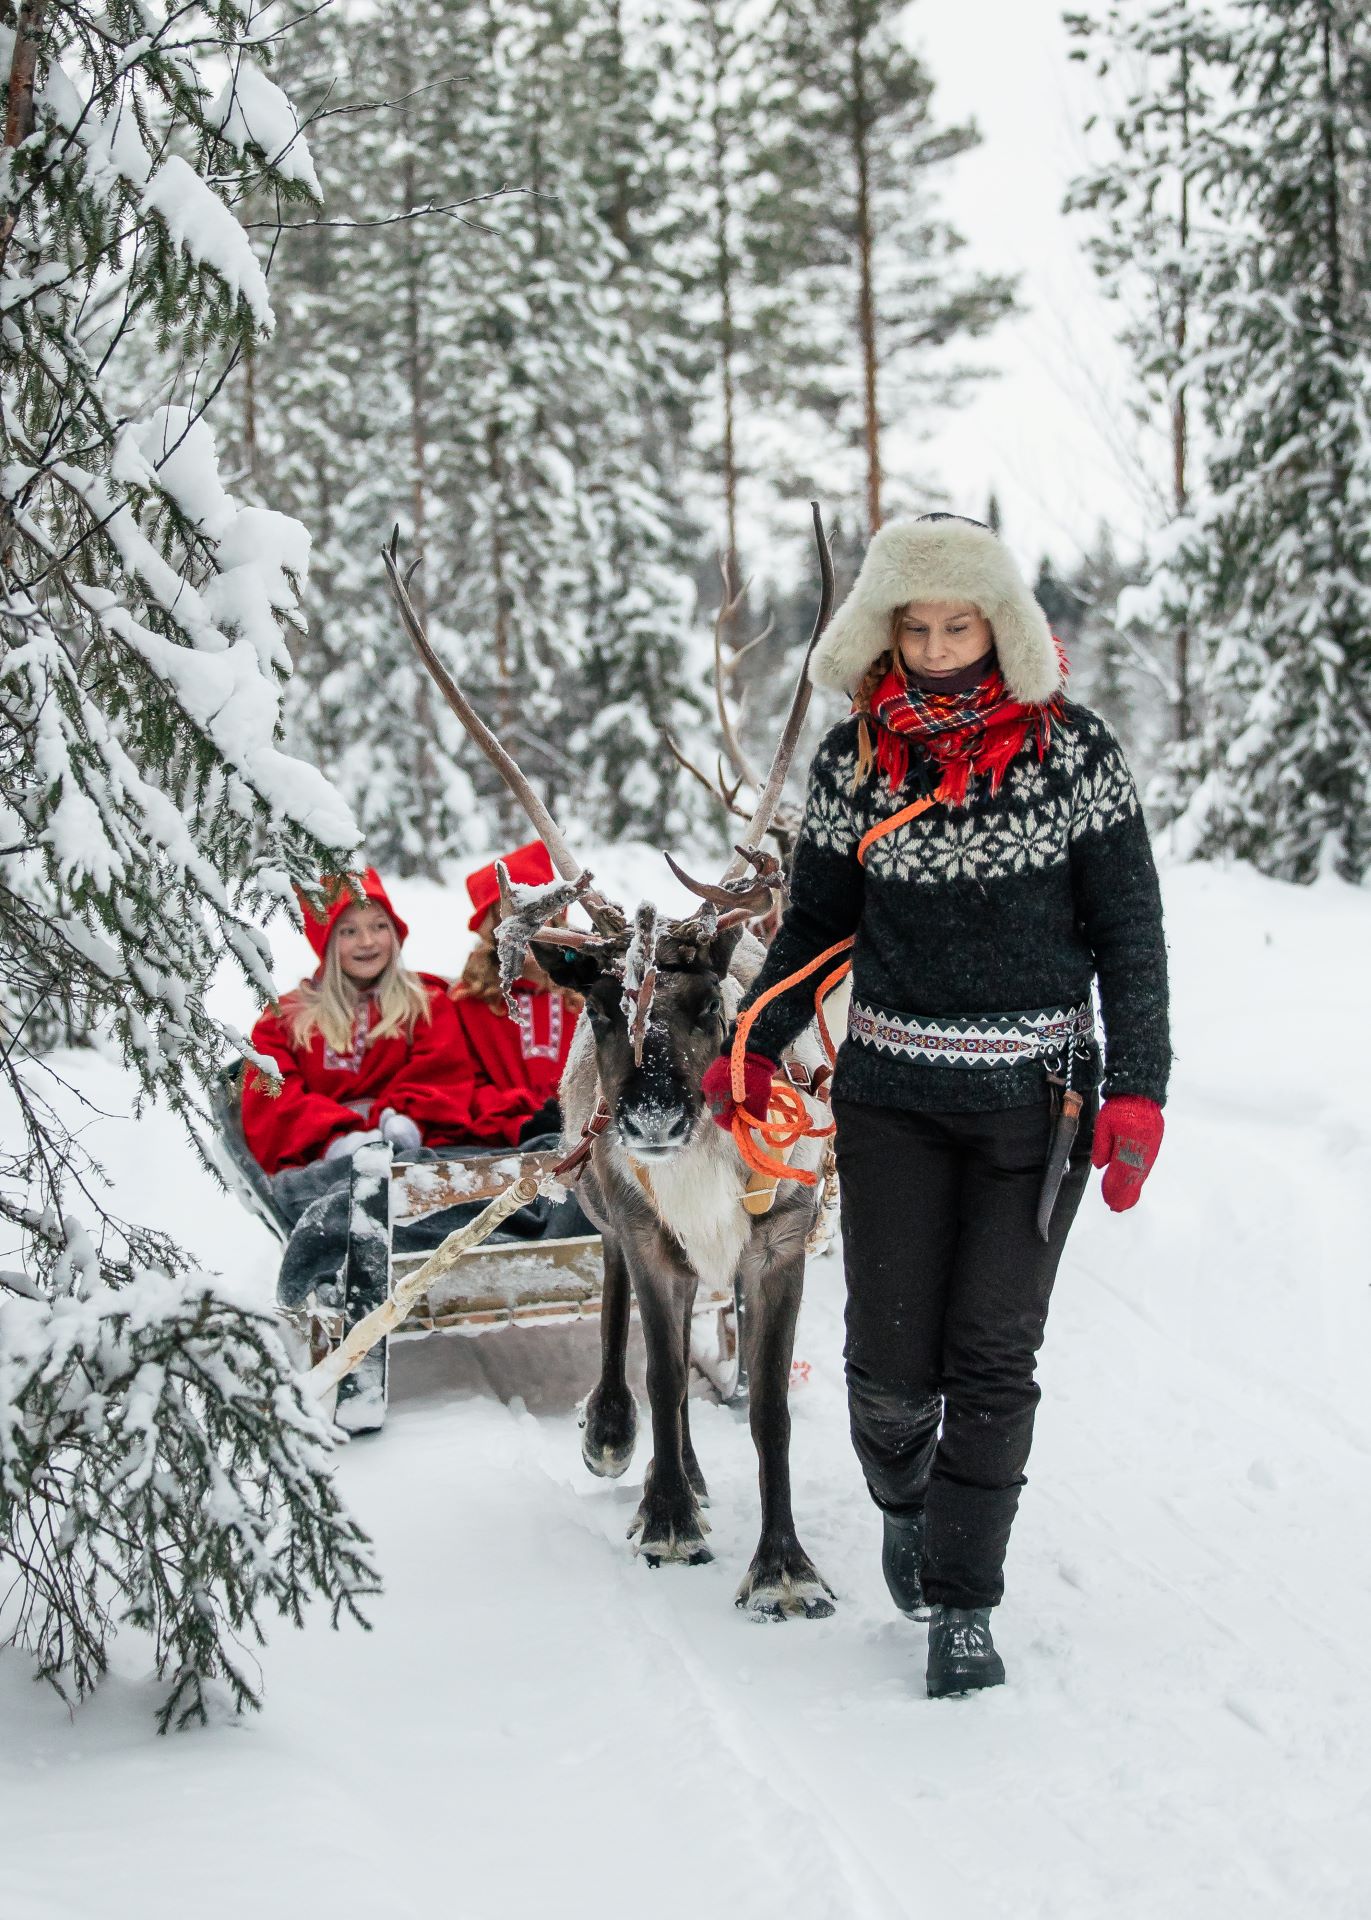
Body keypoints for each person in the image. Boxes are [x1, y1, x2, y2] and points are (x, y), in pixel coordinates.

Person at [703, 513, 1170, 1698]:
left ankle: (966, 1600)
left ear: (1000, 624)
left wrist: (1138, 1093)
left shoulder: (1079, 755)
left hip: (1040, 1105)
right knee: (889, 1369)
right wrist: (755, 1037)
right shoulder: (854, 763)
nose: (940, 646)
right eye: (916, 626)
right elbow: (817, 928)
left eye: (960, 624)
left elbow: (1131, 935)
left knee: (995, 1357)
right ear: (886, 630)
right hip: (895, 1098)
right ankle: (905, 1498)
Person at [243, 868, 470, 1225]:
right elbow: (275, 1096)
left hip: (413, 1154)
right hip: (324, 1164)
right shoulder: (283, 1019)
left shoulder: (426, 1004)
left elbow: (443, 1071)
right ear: (327, 940)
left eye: (379, 926)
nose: (367, 941)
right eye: (349, 931)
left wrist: (403, 1123)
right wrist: (339, 1139)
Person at [449, 839, 579, 1149]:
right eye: (511, 913)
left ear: (557, 917)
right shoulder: (467, 1004)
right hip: (500, 1145)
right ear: (493, 927)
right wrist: (520, 1123)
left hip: (583, 1142)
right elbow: (466, 1085)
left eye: (538, 912)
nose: (527, 926)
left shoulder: (586, 995)